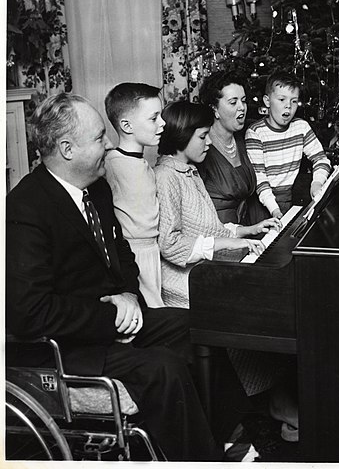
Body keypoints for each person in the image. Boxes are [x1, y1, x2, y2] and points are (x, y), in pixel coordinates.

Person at [5, 93, 221, 461]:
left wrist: (130, 296)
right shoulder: (25, 209)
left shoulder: (97, 189)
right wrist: (113, 317)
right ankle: (199, 460)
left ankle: (220, 438)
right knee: (162, 368)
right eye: (98, 138)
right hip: (69, 347)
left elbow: (121, 254)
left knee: (202, 326)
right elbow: (29, 313)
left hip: (111, 321)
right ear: (67, 148)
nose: (108, 145)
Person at [154, 100, 280, 308]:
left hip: (203, 271)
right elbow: (170, 243)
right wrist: (226, 243)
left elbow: (211, 229)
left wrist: (249, 230)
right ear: (182, 136)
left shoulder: (189, 171)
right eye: (203, 136)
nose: (209, 143)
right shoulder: (166, 176)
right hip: (185, 284)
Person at [104, 83, 165, 308]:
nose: (162, 124)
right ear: (127, 126)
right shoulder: (111, 164)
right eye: (154, 118)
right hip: (133, 256)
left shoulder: (143, 163)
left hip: (153, 252)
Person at [245, 70, 331, 219]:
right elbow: (259, 178)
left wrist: (317, 183)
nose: (288, 107)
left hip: (289, 198)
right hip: (263, 202)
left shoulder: (301, 127)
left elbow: (321, 159)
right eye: (281, 99)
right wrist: (274, 210)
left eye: (293, 101)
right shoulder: (255, 133)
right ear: (267, 101)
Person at [198, 69, 265, 224]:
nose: (242, 107)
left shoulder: (245, 138)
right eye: (233, 102)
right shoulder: (200, 147)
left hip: (251, 228)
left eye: (244, 100)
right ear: (214, 109)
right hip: (217, 235)